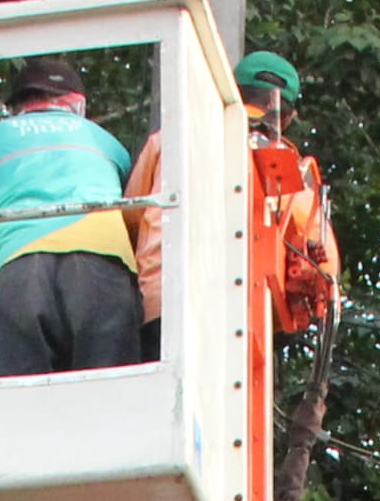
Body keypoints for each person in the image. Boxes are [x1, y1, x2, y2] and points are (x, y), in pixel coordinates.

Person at [123, 49, 341, 356]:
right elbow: (324, 267)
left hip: (164, 299)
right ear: (288, 117)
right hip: (240, 319)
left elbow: (131, 216)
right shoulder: (293, 172)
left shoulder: (171, 137)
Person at [0, 57, 141, 377]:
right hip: (101, 260)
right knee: (111, 401)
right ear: (78, 103)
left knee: (20, 409)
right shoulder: (106, 142)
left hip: (16, 264)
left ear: (17, 106)